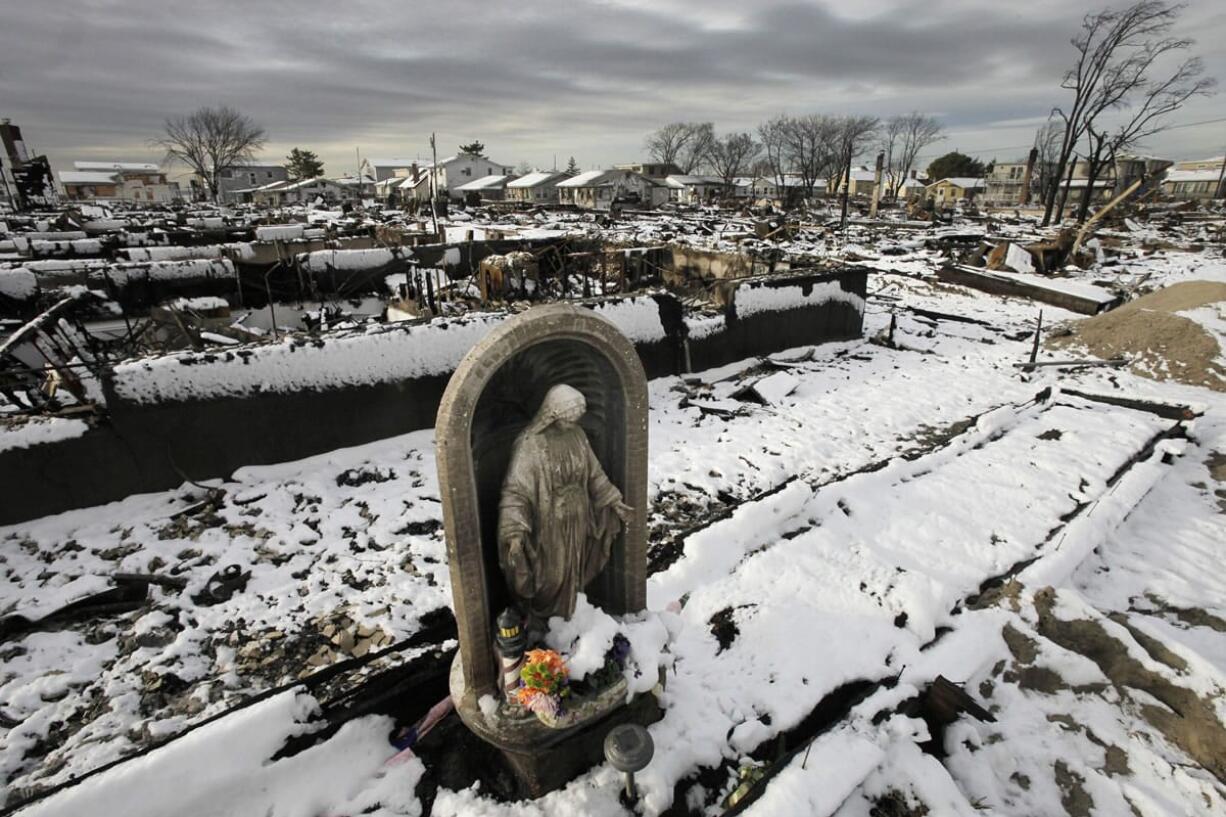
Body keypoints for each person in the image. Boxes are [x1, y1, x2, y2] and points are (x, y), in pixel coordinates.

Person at [498, 384, 633, 628]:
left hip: (579, 516)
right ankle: (545, 623)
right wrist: (514, 531)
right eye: (569, 419)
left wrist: (613, 499)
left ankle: (570, 622)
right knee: (551, 577)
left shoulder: (577, 436)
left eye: (576, 418)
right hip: (549, 524)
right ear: (553, 413)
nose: (573, 423)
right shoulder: (531, 445)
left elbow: (594, 474)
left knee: (574, 573)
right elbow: (516, 491)